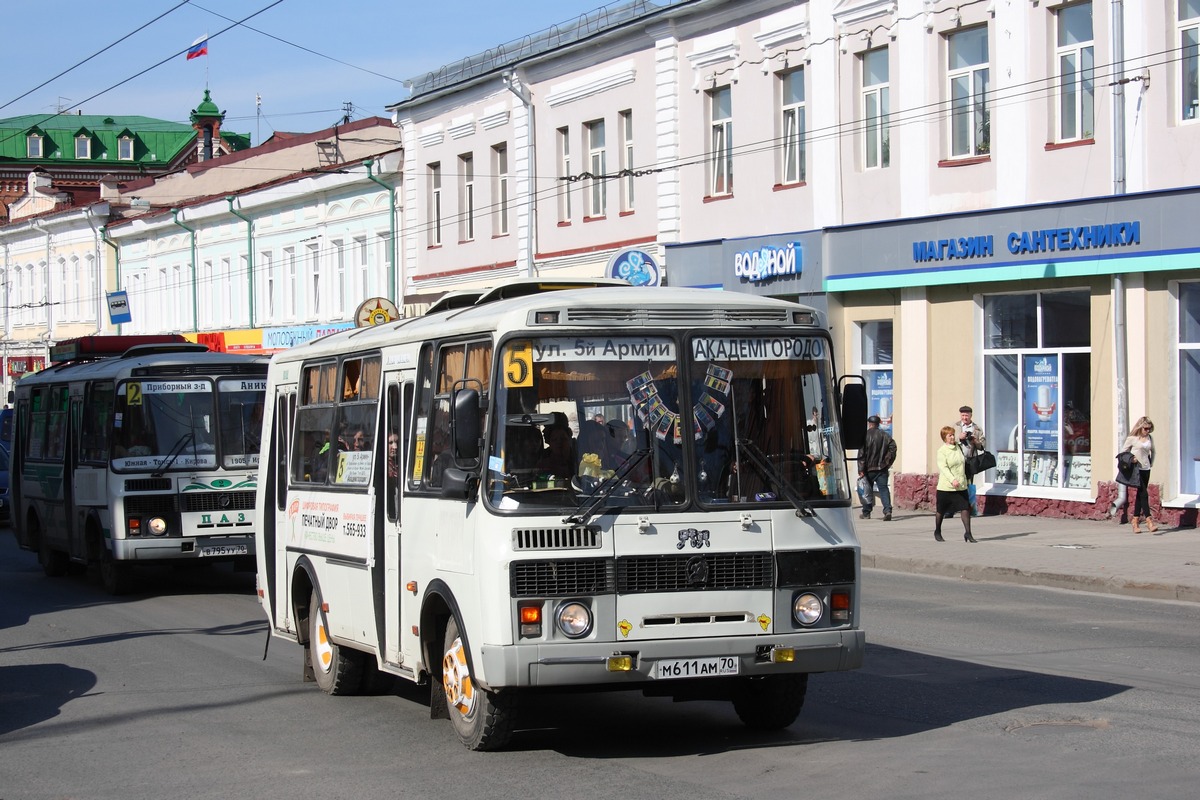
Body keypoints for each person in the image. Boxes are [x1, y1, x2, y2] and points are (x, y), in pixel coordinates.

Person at [935, 425, 977, 543]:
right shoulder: (942, 451)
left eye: (953, 434)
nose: (952, 437)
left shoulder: (958, 447)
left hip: (961, 485)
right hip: (946, 486)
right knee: (941, 510)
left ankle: (968, 533)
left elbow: (963, 463)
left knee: (965, 508)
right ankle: (937, 531)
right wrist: (952, 480)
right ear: (944, 437)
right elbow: (943, 468)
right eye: (950, 435)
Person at [1120, 416, 1157, 533]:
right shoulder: (1132, 439)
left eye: (1149, 429)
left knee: (1140, 495)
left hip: (1146, 468)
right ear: (1140, 427)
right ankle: (1149, 521)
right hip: (1136, 469)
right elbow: (1122, 453)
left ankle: (1135, 521)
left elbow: (1154, 451)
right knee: (1144, 493)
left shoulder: (1149, 438)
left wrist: (1151, 463)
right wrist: (1131, 459)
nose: (1147, 431)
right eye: (1146, 428)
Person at [859, 415, 897, 521]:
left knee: (867, 490)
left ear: (869, 424)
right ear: (878, 424)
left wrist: (861, 469)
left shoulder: (865, 436)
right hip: (882, 468)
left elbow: (861, 454)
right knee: (884, 489)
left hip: (868, 469)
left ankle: (866, 513)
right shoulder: (885, 435)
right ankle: (887, 510)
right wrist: (888, 462)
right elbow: (893, 448)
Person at [954, 405, 987, 515]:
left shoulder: (977, 429)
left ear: (971, 415)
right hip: (957, 460)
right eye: (962, 415)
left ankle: (970, 509)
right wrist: (960, 438)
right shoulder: (955, 427)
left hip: (970, 460)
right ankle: (951, 509)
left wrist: (975, 441)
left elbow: (982, 446)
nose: (964, 418)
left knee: (969, 484)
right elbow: (948, 441)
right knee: (955, 484)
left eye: (966, 415)